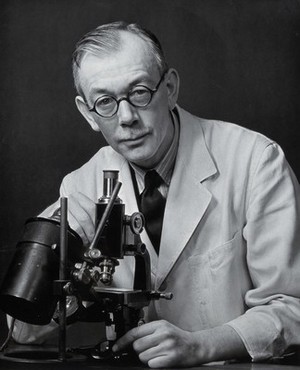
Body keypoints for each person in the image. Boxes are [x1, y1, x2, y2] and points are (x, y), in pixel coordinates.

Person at [8, 21, 300, 368]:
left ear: (171, 87)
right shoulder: (83, 185)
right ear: (87, 113)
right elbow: (21, 330)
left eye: (140, 92)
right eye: (105, 102)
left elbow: (291, 307)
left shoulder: (255, 161)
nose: (127, 117)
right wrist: (75, 287)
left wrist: (201, 346)